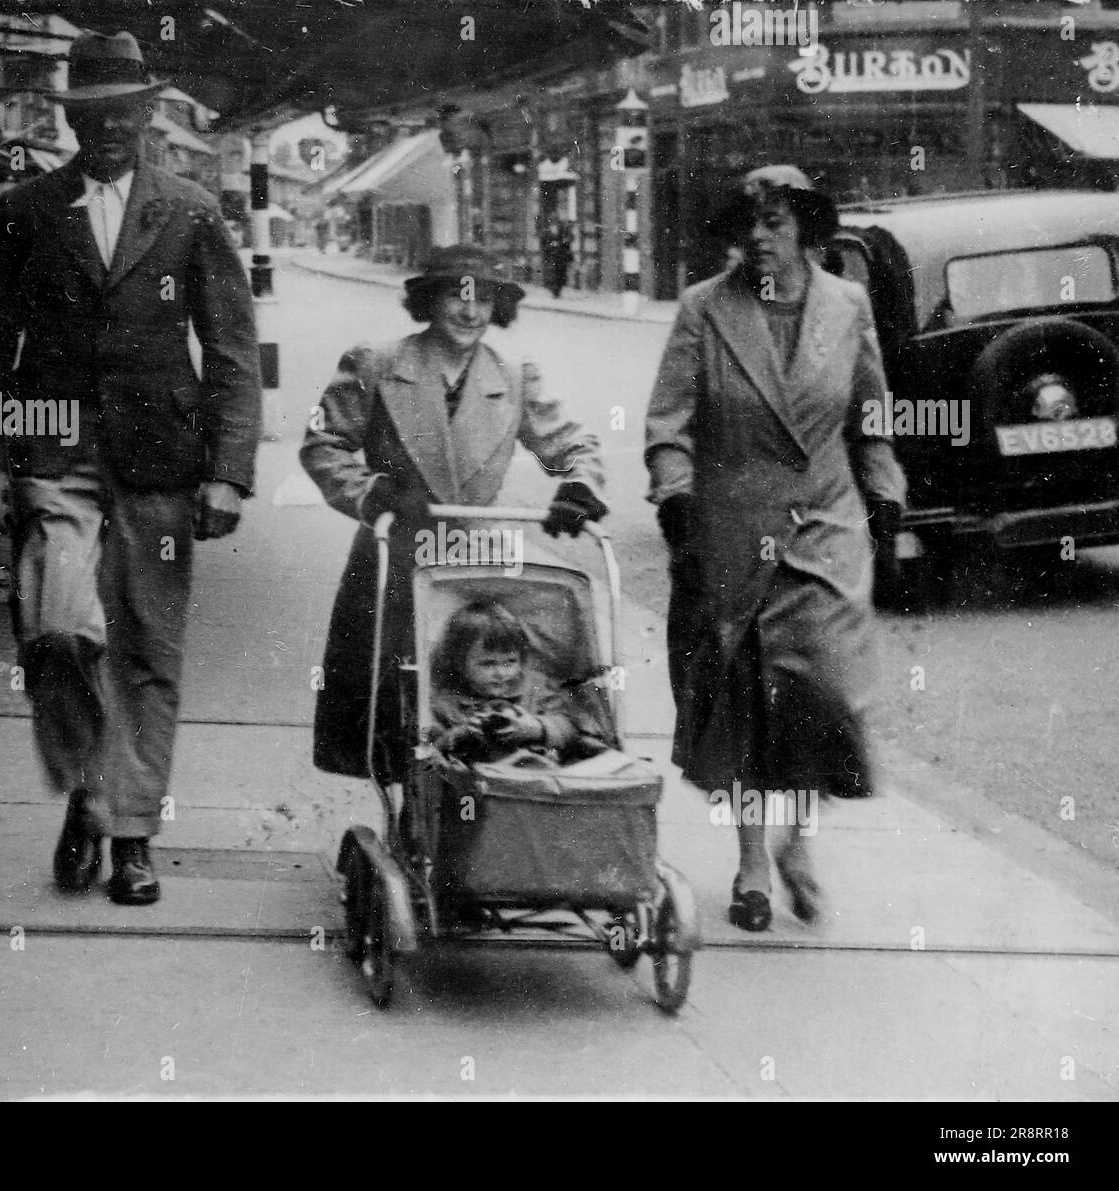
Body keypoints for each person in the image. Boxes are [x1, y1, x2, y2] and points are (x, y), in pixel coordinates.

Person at [0, 31, 262, 906]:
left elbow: (232, 349)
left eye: (125, 113)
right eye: (92, 116)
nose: (110, 130)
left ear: (149, 115)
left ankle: (132, 835)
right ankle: (87, 786)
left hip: (162, 459)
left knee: (147, 648)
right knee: (56, 628)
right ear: (72, 120)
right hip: (51, 448)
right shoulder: (23, 208)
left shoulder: (192, 210)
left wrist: (230, 471)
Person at [644, 165, 906, 932]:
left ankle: (800, 840)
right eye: (748, 225)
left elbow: (871, 418)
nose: (759, 238)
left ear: (807, 232)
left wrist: (886, 498)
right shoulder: (704, 309)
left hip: (825, 525)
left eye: (776, 223)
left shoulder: (848, 306)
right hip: (731, 529)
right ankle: (754, 861)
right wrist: (676, 500)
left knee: (822, 695)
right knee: (745, 707)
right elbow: (669, 423)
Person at [300, 244, 607, 783]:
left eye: (483, 299)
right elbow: (323, 443)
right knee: (392, 698)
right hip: (394, 550)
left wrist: (579, 485)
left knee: (468, 674)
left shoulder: (514, 376)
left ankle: (480, 798)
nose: (469, 312)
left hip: (473, 560)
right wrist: (372, 493)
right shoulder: (375, 364)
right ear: (428, 301)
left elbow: (574, 442)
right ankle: (403, 817)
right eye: (455, 296)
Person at [430, 601, 603, 765]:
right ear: (461, 664)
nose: (500, 673)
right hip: (483, 779)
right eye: (488, 663)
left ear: (521, 658)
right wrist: (463, 733)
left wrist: (536, 728)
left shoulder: (536, 687)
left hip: (539, 773)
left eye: (510, 662)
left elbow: (571, 728)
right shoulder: (447, 703)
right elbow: (434, 750)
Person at [541, 221, 574, 299]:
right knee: (553, 274)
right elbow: (544, 243)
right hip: (552, 257)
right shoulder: (547, 233)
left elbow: (569, 239)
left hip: (560, 258)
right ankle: (555, 291)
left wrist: (560, 243)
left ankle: (557, 291)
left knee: (560, 275)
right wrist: (551, 245)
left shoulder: (563, 231)